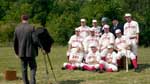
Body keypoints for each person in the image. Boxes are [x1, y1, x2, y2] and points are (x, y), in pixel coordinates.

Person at [14, 14, 38, 84]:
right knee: (33, 67)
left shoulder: (17, 28)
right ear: (28, 19)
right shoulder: (32, 27)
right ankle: (32, 82)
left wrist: (16, 52)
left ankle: (25, 82)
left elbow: (15, 42)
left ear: (21, 19)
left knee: (23, 69)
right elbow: (35, 40)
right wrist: (39, 47)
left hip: (21, 52)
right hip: (30, 52)